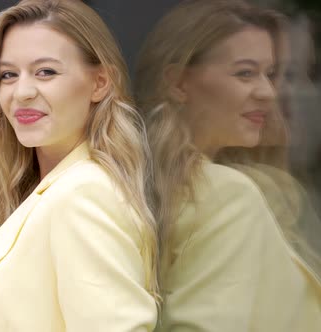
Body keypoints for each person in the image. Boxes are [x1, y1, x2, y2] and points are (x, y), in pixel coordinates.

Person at [0, 1, 159, 331]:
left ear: (100, 83)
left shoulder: (84, 196)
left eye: (45, 72)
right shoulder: (40, 192)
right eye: (8, 75)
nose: (21, 92)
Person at [133, 0, 321, 330]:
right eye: (245, 73)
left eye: (270, 74)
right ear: (177, 83)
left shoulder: (143, 183)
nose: (267, 92)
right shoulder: (229, 194)